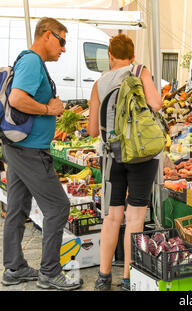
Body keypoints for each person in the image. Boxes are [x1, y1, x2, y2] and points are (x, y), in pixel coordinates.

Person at [1, 17, 83, 290]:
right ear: (47, 35)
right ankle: (49, 272)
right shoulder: (32, 62)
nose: (63, 49)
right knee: (58, 207)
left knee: (17, 208)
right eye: (62, 41)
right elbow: (16, 99)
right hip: (29, 151)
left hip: (19, 148)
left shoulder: (31, 62)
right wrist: (50, 110)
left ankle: (14, 268)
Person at [87, 34, 163, 291]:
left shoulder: (99, 83)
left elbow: (92, 131)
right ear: (132, 56)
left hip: (111, 156)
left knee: (112, 217)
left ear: (109, 55)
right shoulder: (140, 70)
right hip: (142, 155)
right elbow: (156, 103)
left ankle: (103, 276)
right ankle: (129, 279)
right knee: (135, 219)